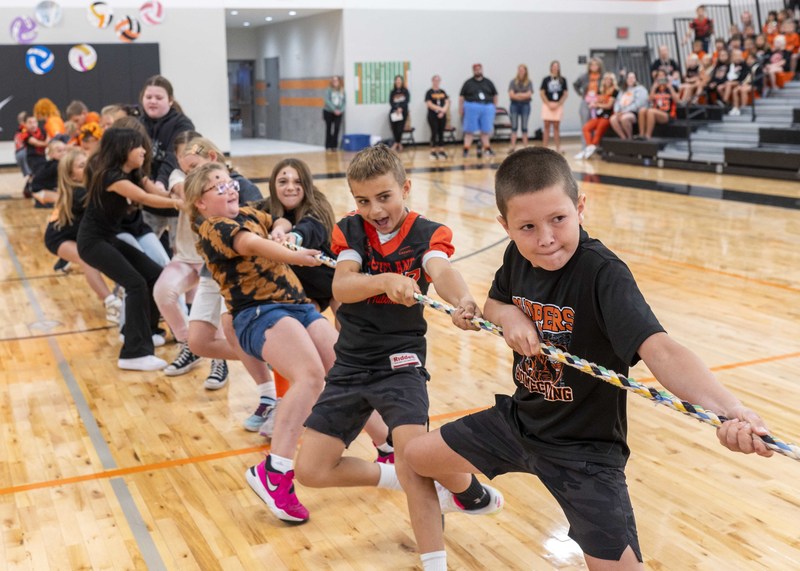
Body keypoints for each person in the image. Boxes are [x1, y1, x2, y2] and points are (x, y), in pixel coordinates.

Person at [405, 146, 774, 571]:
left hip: (585, 454)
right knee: (416, 457)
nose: (545, 238)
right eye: (527, 226)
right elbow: (494, 303)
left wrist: (731, 410)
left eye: (558, 219)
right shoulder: (517, 257)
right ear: (504, 227)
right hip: (519, 424)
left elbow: (662, 349)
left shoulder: (603, 274)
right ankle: (475, 498)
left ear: (580, 207)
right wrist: (509, 316)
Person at [291, 144, 501, 571]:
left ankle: (438, 554)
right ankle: (453, 488)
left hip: (401, 360)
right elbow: (343, 288)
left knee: (413, 457)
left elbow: (441, 270)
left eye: (384, 196)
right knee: (310, 470)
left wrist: (463, 300)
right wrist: (385, 279)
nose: (375, 209)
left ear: (405, 188)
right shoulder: (349, 231)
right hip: (350, 363)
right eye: (363, 200)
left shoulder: (427, 233)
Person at [184, 161, 335, 523]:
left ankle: (387, 448)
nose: (228, 187)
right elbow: (252, 244)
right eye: (217, 186)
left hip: (298, 305)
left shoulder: (251, 213)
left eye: (228, 181)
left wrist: (284, 230)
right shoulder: (213, 227)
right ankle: (275, 470)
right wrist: (294, 254)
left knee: (343, 368)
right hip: (258, 311)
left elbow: (271, 223)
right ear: (201, 203)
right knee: (310, 377)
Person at [77, 127, 181, 371]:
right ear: (124, 150)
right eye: (138, 147)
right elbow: (146, 199)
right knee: (135, 283)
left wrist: (181, 189)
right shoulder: (111, 177)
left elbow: (157, 191)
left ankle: (148, 331)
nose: (144, 151)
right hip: (93, 241)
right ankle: (134, 353)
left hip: (109, 237)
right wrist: (181, 205)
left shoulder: (132, 173)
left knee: (156, 275)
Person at [44, 147, 121, 322]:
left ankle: (120, 290)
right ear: (72, 176)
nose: (87, 167)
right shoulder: (79, 193)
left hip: (75, 234)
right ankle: (111, 303)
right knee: (86, 258)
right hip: (58, 238)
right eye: (81, 166)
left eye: (87, 163)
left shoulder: (88, 185)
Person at [258, 158, 339, 315]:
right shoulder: (265, 208)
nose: (290, 188)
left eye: (298, 182)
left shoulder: (319, 204)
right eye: (283, 182)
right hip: (301, 288)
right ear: (273, 186)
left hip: (330, 279)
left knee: (347, 320)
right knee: (302, 323)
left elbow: (313, 226)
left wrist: (295, 237)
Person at [139, 75, 196, 250]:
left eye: (159, 97)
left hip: (175, 199)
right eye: (148, 97)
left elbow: (174, 157)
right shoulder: (139, 123)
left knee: (180, 251)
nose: (153, 101)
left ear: (170, 100)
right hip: (151, 200)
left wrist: (161, 182)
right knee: (145, 249)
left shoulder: (182, 123)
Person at [459, 63, 498, 159]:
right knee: (469, 130)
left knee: (485, 130)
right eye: (476, 69)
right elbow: (461, 97)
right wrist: (461, 108)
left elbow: (495, 95)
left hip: (486, 107)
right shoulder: (468, 83)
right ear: (473, 71)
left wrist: (494, 107)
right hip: (472, 106)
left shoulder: (488, 82)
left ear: (482, 70)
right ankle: (466, 149)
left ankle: (487, 148)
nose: (478, 71)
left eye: (479, 69)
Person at [575, 72, 618, 159]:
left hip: (608, 116)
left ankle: (591, 147)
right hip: (598, 115)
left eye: (610, 79)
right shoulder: (601, 90)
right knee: (586, 128)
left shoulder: (615, 91)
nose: (608, 81)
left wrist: (597, 105)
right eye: (606, 79)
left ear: (613, 81)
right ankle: (590, 146)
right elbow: (595, 100)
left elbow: (609, 105)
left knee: (599, 129)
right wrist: (593, 103)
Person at [572, 58, 604, 147]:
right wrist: (581, 94)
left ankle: (595, 146)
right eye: (592, 65)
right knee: (585, 125)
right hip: (586, 102)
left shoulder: (603, 77)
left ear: (599, 66)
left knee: (595, 124)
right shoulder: (584, 76)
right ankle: (584, 147)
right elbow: (575, 85)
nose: (594, 67)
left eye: (596, 65)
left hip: (597, 103)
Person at [638, 70, 678, 139]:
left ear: (666, 77)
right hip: (655, 111)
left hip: (668, 114)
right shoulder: (655, 88)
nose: (661, 77)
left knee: (651, 111)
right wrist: (654, 87)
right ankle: (641, 135)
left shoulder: (672, 87)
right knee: (642, 110)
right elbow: (649, 100)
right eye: (659, 76)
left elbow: (677, 101)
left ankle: (648, 136)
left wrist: (670, 87)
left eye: (662, 75)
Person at [539, 60, 569, 153]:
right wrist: (548, 103)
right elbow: (542, 92)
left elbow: (565, 93)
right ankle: (544, 147)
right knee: (546, 126)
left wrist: (559, 103)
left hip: (558, 104)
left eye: (557, 66)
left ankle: (558, 147)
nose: (555, 68)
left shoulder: (563, 79)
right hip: (548, 104)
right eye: (554, 66)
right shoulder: (546, 79)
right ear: (551, 67)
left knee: (556, 126)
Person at [609, 72, 649, 140]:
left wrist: (624, 111)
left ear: (636, 79)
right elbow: (617, 102)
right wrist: (617, 111)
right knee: (612, 119)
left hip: (634, 112)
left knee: (624, 119)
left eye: (632, 78)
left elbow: (639, 104)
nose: (630, 79)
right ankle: (623, 137)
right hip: (621, 112)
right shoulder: (622, 90)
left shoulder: (641, 89)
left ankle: (629, 138)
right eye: (628, 78)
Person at [30, 139, 67, 207]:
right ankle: (41, 201)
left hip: (47, 189)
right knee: (64, 200)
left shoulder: (57, 164)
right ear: (51, 154)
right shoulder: (55, 165)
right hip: (40, 191)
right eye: (59, 151)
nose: (63, 153)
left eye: (65, 150)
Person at [507, 64, 533, 153]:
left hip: (525, 106)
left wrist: (517, 94)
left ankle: (526, 147)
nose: (521, 71)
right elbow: (511, 95)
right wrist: (522, 95)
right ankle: (512, 146)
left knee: (524, 126)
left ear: (526, 71)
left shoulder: (529, 82)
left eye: (522, 70)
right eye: (519, 70)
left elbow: (529, 94)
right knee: (514, 126)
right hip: (514, 105)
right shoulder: (513, 82)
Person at [425, 75, 450, 160]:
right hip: (433, 116)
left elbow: (447, 102)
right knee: (434, 132)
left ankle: (441, 150)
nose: (436, 82)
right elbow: (429, 104)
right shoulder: (429, 92)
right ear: (432, 81)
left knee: (441, 133)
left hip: (442, 115)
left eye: (438, 80)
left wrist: (443, 111)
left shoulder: (442, 91)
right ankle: (433, 151)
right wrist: (440, 109)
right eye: (435, 80)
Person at [323, 76, 345, 151]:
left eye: (336, 80)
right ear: (332, 81)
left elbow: (344, 102)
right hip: (328, 111)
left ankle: (334, 146)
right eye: (334, 80)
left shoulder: (342, 90)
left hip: (339, 112)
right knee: (329, 128)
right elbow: (327, 100)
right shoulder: (328, 90)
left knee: (336, 128)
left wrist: (340, 110)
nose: (335, 81)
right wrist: (334, 109)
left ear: (339, 81)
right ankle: (328, 145)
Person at [389, 75, 410, 152]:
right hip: (394, 112)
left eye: (399, 80)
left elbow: (406, 101)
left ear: (402, 81)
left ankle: (397, 143)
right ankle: (397, 143)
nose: (398, 82)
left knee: (400, 129)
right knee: (394, 128)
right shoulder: (392, 92)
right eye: (397, 80)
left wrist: (401, 108)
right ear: (395, 82)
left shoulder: (405, 91)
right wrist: (396, 108)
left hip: (403, 112)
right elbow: (391, 102)